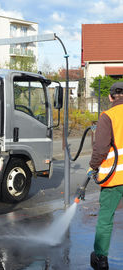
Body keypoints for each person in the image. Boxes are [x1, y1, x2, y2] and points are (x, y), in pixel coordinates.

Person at [88, 82, 123, 270]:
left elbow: (101, 148)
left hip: (114, 178)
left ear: (110, 97)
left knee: (106, 218)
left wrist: (93, 166)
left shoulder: (108, 116)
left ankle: (101, 259)